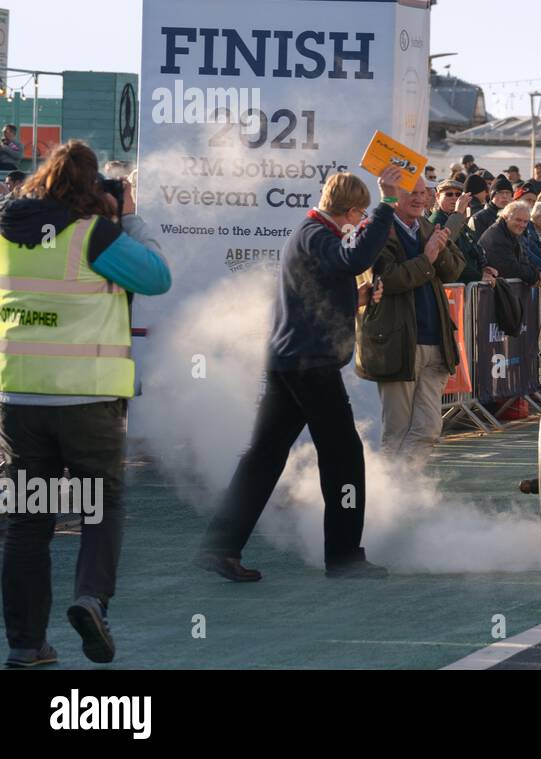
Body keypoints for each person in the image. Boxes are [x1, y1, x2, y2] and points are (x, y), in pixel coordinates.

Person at [1, 141, 172, 667]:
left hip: (18, 399)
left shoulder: (7, 232)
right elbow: (157, 277)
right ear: (92, 187)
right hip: (88, 399)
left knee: (27, 522)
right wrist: (129, 221)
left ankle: (26, 645)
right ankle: (90, 598)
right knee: (102, 505)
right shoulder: (95, 235)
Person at [198, 166, 405, 584]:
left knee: (263, 457)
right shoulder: (317, 235)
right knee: (344, 460)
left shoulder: (310, 235)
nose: (360, 223)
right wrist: (387, 203)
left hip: (291, 362)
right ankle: (345, 557)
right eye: (359, 215)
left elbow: (323, 290)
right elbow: (356, 258)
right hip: (311, 365)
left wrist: (358, 298)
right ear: (347, 209)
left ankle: (219, 547)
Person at [354, 178, 465, 463]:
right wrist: (427, 259)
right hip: (397, 342)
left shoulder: (428, 227)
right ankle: (390, 500)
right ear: (395, 195)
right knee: (397, 431)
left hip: (435, 341)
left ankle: (407, 492)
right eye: (411, 193)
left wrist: (438, 253)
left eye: (422, 193)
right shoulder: (378, 231)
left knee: (428, 428)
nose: (418, 199)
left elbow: (454, 271)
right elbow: (386, 280)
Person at [431, 178, 498, 287]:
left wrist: (482, 269)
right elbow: (445, 246)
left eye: (458, 195)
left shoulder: (461, 221)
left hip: (464, 284)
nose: (454, 199)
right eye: (449, 194)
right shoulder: (436, 220)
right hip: (453, 286)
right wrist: (478, 276)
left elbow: (468, 251)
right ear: (438, 197)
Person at [479, 201, 541, 285]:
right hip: (494, 292)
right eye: (518, 220)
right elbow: (510, 268)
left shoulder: (513, 233)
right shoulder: (497, 237)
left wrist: (536, 274)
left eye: (525, 222)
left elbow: (523, 260)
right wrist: (535, 276)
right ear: (505, 217)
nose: (522, 225)